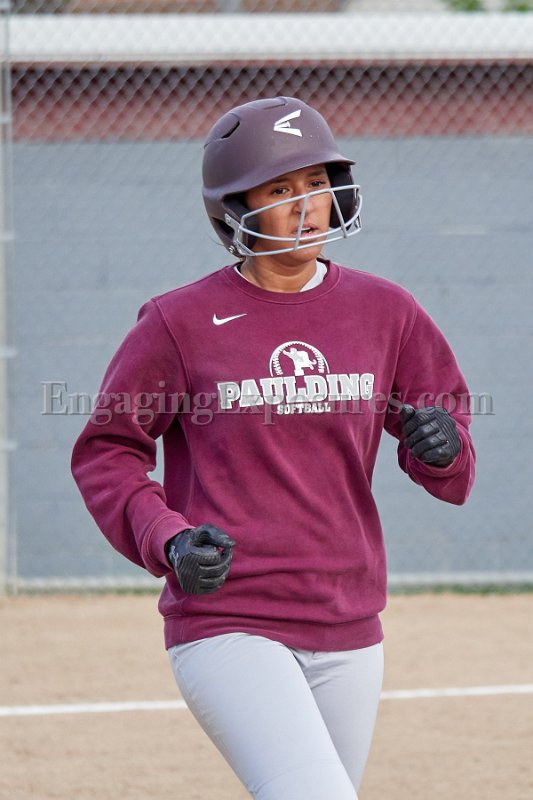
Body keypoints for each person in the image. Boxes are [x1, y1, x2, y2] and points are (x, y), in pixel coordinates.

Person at [71, 96, 475, 800]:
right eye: (279, 189)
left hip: (349, 618)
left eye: (316, 182)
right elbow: (108, 450)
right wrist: (168, 538)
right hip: (229, 621)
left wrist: (441, 448)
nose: (306, 204)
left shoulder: (387, 311)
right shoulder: (177, 321)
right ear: (233, 209)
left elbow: (452, 455)